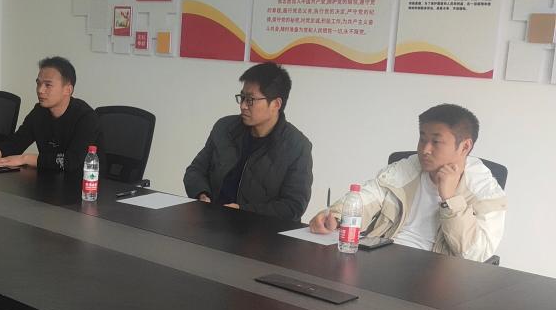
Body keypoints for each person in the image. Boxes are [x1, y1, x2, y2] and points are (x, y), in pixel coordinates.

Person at [308, 103, 505, 261]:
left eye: (436, 142)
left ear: (465, 146)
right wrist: (336, 216)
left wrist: (450, 199)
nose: (425, 150)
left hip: (438, 277)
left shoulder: (486, 192)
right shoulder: (406, 169)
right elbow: (368, 196)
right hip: (383, 260)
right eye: (422, 139)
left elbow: (476, 254)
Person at [182, 63, 312, 223]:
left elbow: (293, 206)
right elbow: (195, 171)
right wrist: (202, 195)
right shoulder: (224, 128)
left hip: (262, 232)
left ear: (276, 104)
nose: (243, 105)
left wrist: (243, 211)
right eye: (242, 97)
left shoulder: (297, 146)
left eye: (250, 100)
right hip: (214, 223)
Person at [0, 56, 102, 175]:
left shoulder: (87, 118)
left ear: (68, 90)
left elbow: (71, 161)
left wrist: (25, 158)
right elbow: (18, 141)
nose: (40, 90)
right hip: (49, 178)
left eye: (48, 85)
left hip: (85, 182)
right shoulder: (39, 111)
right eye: (38, 83)